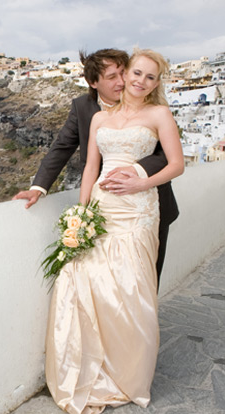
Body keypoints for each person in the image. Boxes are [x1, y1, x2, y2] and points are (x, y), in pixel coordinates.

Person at [43, 49, 184, 414]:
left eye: (148, 77)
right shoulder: (99, 118)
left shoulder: (159, 114)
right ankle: (96, 363)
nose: (138, 81)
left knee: (134, 288)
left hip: (138, 211)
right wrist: (82, 213)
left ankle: (130, 372)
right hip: (103, 208)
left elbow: (176, 164)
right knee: (87, 280)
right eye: (135, 73)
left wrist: (142, 183)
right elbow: (90, 166)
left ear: (156, 83)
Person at [12, 48, 179, 284]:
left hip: (147, 204)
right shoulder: (83, 108)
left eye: (123, 73)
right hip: (102, 205)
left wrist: (135, 171)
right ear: (93, 82)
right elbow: (62, 147)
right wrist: (39, 187)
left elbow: (166, 154)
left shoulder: (153, 108)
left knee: (145, 278)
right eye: (112, 77)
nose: (122, 82)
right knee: (98, 277)